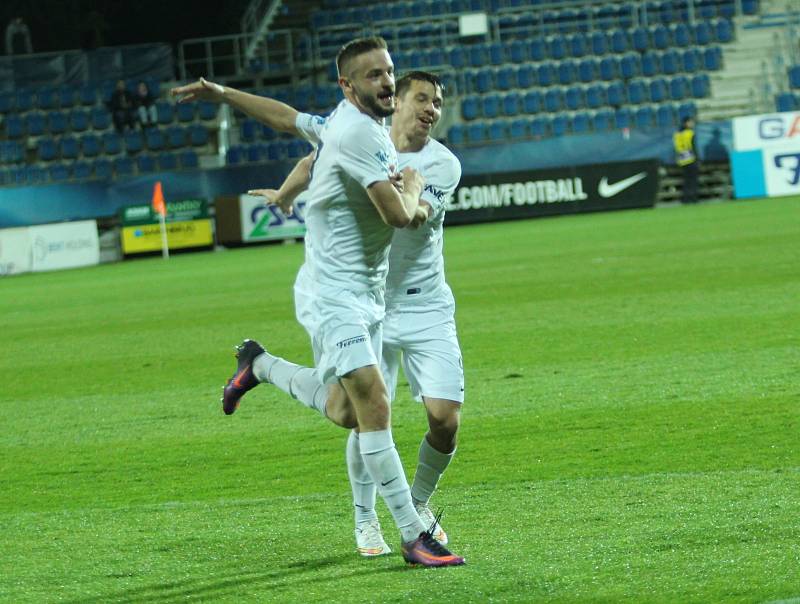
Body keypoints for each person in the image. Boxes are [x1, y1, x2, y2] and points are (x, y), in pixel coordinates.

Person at [170, 38, 464, 567]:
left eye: (389, 72)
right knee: (375, 406)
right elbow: (400, 215)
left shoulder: (359, 130)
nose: (387, 83)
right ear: (350, 86)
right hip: (334, 292)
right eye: (375, 76)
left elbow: (288, 121)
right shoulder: (359, 134)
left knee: (345, 411)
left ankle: (259, 365)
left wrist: (223, 95)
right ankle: (411, 532)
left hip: (376, 295)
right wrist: (412, 186)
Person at [249, 71, 463, 559]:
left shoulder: (443, 164)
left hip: (427, 302)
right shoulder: (364, 140)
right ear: (400, 103)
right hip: (372, 303)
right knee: (363, 414)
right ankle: (367, 520)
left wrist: (406, 188)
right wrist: (286, 193)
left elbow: (416, 216)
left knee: (445, 421)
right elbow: (313, 159)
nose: (431, 109)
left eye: (438, 103)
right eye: (423, 99)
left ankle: (417, 505)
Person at [674, 116, 699, 204]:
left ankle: (685, 199)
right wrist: (697, 158)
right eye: (690, 122)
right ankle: (693, 198)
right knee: (693, 180)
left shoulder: (677, 134)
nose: (692, 124)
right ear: (686, 123)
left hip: (682, 159)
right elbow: (693, 147)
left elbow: (676, 148)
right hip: (691, 159)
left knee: (686, 180)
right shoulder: (690, 133)